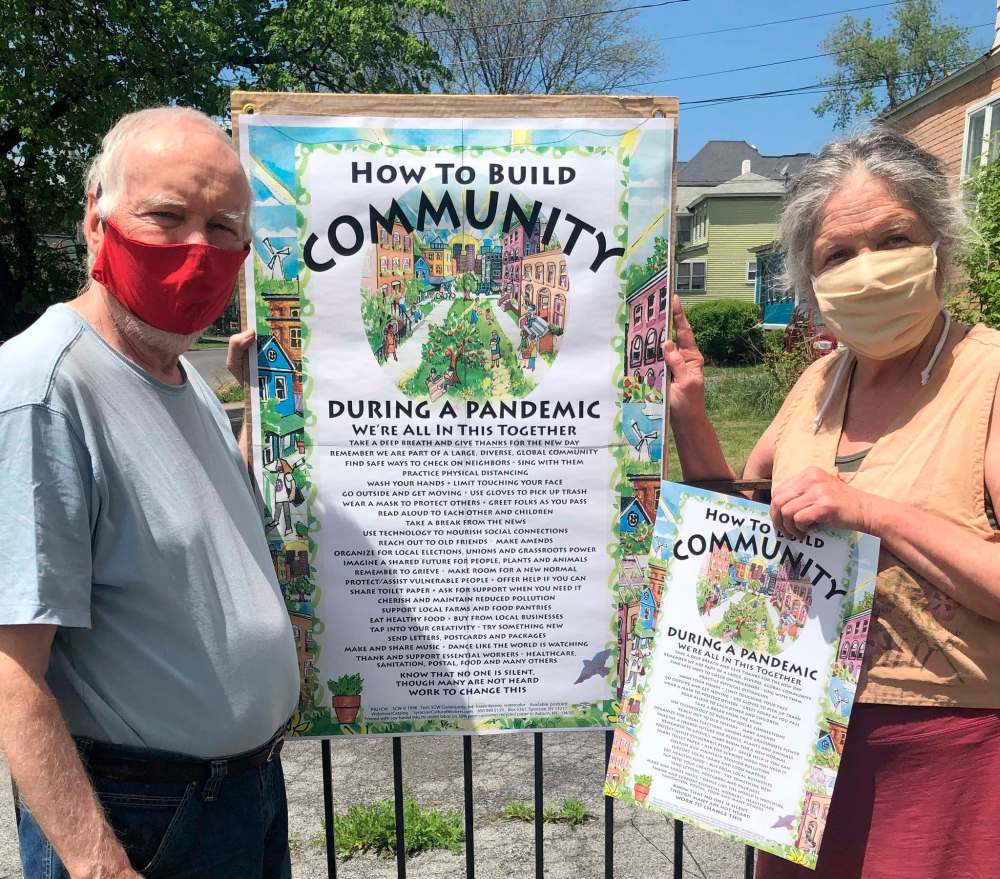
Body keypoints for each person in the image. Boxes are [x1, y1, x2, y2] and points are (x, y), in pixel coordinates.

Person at [663, 126, 1000, 878]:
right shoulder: (819, 385)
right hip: (796, 751)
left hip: (941, 763)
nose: (867, 269)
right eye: (838, 255)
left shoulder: (989, 376)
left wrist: (871, 511)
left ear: (939, 244)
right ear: (811, 281)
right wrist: (689, 410)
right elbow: (738, 522)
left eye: (893, 237)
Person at [0, 106, 300, 879]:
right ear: (96, 222)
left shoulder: (175, 372)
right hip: (146, 819)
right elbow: (12, 669)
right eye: (167, 217)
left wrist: (257, 418)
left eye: (225, 227)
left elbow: (199, 524)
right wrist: (100, 866)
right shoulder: (44, 388)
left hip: (240, 792)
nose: (200, 250)